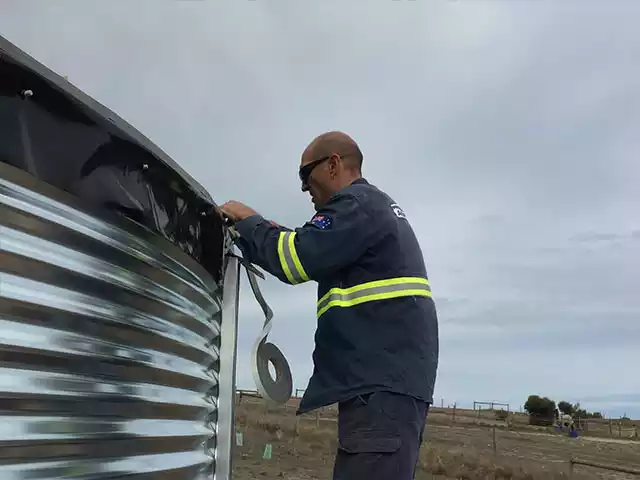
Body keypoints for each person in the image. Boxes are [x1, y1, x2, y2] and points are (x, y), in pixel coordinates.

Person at [219, 131, 439, 480]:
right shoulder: (371, 210)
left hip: (379, 391)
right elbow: (310, 245)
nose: (305, 189)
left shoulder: (356, 205)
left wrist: (248, 222)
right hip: (386, 387)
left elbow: (296, 259)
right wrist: (272, 234)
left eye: (305, 176)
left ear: (333, 164)